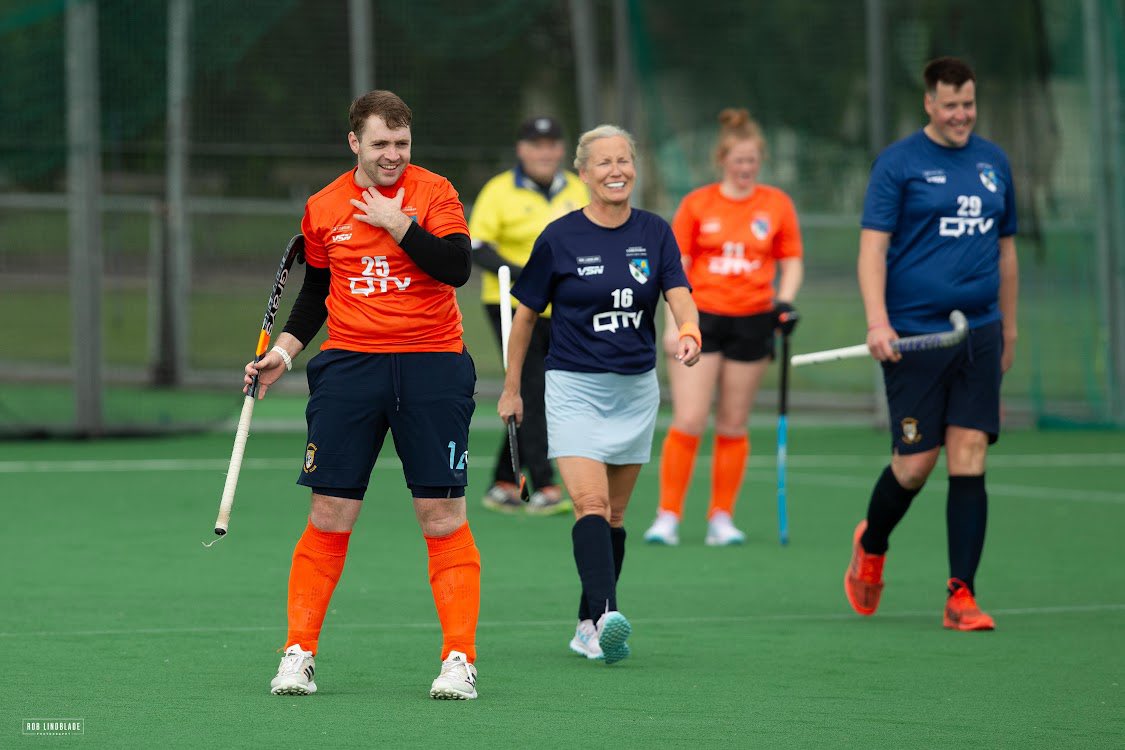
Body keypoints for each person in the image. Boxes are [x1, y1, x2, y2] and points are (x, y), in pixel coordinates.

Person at [244, 90, 483, 699]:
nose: (392, 156)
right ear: (354, 142)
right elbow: (316, 290)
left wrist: (398, 223)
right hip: (350, 368)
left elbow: (457, 267)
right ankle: (298, 653)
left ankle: (459, 659)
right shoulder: (323, 206)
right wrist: (284, 352)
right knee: (329, 513)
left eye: (401, 145)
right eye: (380, 144)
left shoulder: (434, 194)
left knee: (441, 515)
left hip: (432, 365)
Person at [498, 125, 702, 664]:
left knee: (613, 516)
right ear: (584, 174)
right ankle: (609, 613)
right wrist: (513, 388)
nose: (617, 171)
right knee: (587, 502)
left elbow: (679, 294)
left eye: (624, 161)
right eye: (604, 163)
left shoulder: (655, 232)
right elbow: (524, 318)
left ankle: (587, 623)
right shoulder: (560, 237)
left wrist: (690, 331)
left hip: (635, 390)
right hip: (572, 387)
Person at [845, 57, 1018, 631]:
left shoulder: (994, 162)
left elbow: (1006, 253)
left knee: (969, 454)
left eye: (968, 103)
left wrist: (1008, 328)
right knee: (915, 466)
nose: (962, 114)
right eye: (951, 104)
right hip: (916, 338)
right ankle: (872, 543)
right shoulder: (898, 165)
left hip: (981, 332)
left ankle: (960, 594)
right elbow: (873, 249)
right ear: (929, 103)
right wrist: (878, 323)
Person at [642, 108, 804, 547]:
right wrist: (675, 324)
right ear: (723, 159)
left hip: (753, 319)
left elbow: (790, 261)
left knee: (733, 422)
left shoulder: (776, 205)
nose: (746, 168)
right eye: (738, 160)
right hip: (702, 317)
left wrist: (784, 302)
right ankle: (668, 515)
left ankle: (721, 518)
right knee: (691, 418)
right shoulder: (698, 204)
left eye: (753, 161)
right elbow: (675, 270)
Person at [469, 116, 589, 515]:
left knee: (539, 390)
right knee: (532, 389)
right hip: (510, 303)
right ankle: (545, 484)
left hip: (564, 306)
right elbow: (478, 245)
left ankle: (503, 482)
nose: (545, 152)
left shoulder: (577, 189)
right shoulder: (499, 190)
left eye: (552, 144)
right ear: (522, 149)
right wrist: (530, 277)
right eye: (536, 144)